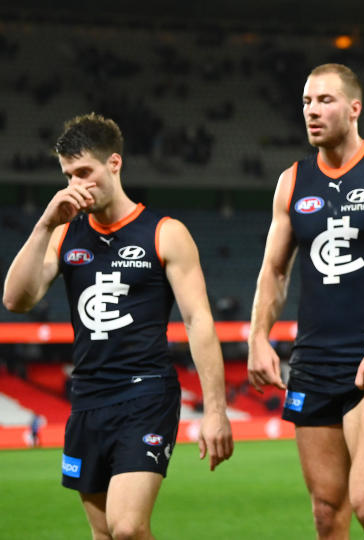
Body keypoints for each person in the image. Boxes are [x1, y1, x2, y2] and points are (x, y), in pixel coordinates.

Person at [3, 113, 233, 539]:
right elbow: (16, 300)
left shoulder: (166, 233)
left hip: (145, 392)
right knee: (105, 534)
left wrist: (216, 411)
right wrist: (43, 225)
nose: (77, 184)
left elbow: (199, 321)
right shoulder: (64, 236)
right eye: (69, 175)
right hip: (88, 398)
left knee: (127, 528)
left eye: (85, 171)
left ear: (114, 163)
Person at [246, 63, 364, 539]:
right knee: (327, 512)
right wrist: (258, 337)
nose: (312, 111)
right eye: (306, 101)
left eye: (325, 100)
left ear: (354, 108)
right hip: (313, 362)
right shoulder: (292, 181)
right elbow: (274, 269)